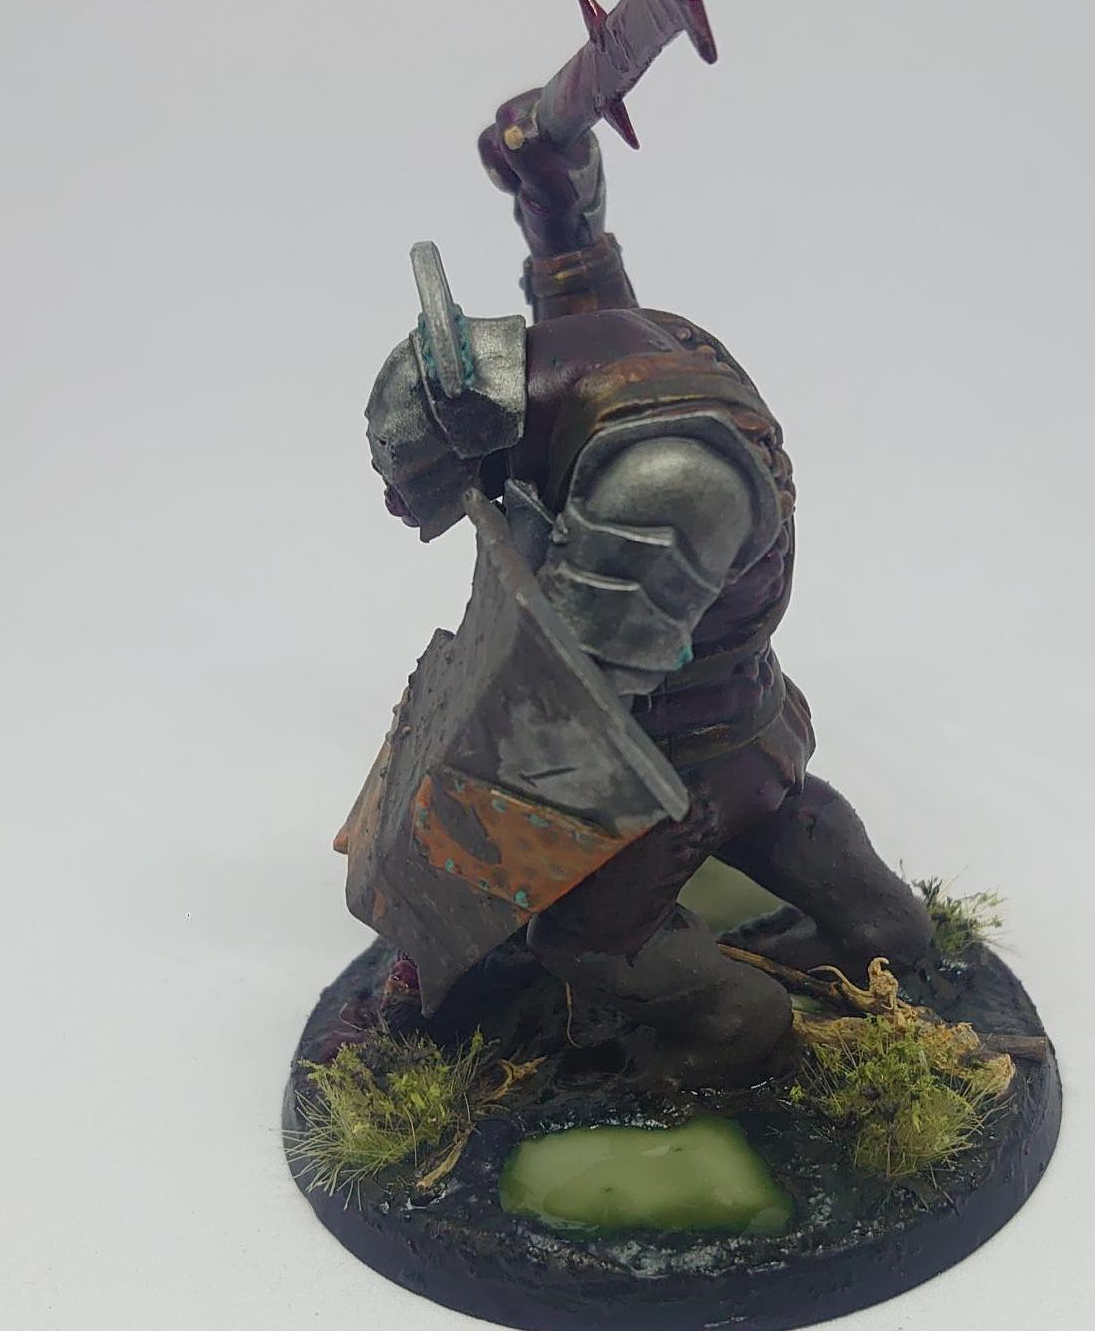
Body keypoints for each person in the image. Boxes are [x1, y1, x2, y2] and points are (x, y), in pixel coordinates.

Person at [364, 97, 931, 1085]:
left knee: (582, 936)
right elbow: (583, 305)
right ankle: (884, 929)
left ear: (488, 430)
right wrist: (555, 204)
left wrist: (477, 831)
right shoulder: (610, 357)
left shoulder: (660, 479)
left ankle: (734, 1030)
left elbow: (581, 698)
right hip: (747, 712)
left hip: (673, 755)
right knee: (773, 809)